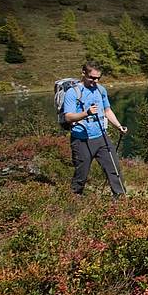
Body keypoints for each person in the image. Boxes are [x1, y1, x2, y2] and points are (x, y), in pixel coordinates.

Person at [62, 61, 128, 196]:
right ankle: (74, 198)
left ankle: (121, 199)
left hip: (102, 137)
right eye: (92, 77)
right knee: (81, 173)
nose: (95, 81)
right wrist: (86, 113)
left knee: (114, 169)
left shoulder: (100, 90)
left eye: (98, 78)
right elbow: (68, 117)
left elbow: (107, 110)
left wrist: (118, 126)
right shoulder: (73, 92)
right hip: (81, 140)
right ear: (83, 73)